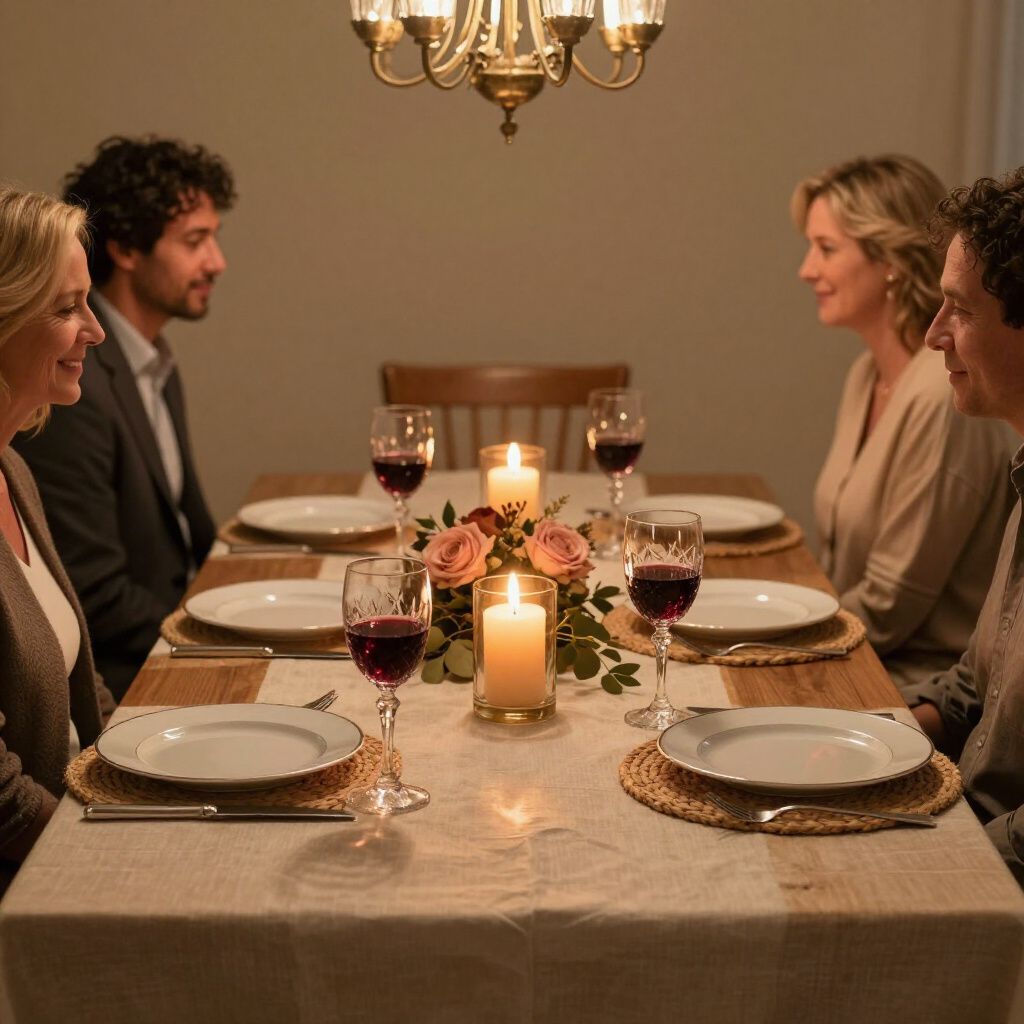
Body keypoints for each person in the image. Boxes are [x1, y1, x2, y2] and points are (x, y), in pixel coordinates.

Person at [15, 136, 237, 699]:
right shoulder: (68, 381)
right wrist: (223, 637)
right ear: (125, 249)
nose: (217, 261)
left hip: (165, 643)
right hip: (131, 674)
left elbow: (191, 531)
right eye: (195, 241)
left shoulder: (154, 359)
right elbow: (95, 595)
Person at [792, 154, 1013, 692]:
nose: (806, 269)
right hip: (855, 654)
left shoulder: (943, 393)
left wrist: (766, 637)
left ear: (889, 257)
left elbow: (889, 609)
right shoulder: (866, 374)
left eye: (826, 248)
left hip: (904, 679)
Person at [905, 167, 1024, 882]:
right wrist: (863, 737)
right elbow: (974, 691)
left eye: (961, 310)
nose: (933, 335)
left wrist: (946, 865)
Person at [0, 186, 114, 875]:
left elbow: (83, 688)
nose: (95, 331)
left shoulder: (13, 469)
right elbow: (1, 803)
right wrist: (107, 851)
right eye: (67, 308)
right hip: (34, 877)